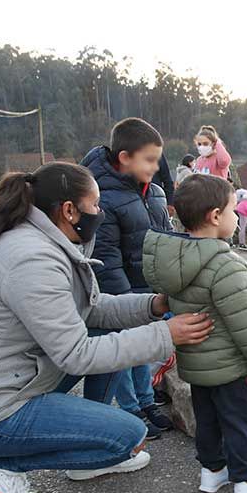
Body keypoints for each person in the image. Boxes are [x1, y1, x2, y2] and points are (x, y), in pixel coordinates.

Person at [0, 162, 213, 493]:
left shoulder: (45, 242)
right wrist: (166, 335)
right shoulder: (32, 259)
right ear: (69, 210)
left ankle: (88, 448)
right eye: (95, 204)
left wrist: (154, 306)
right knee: (127, 437)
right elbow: (76, 355)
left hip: (6, 383)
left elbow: (92, 311)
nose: (100, 212)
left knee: (108, 336)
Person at [142, 174, 247, 493]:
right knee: (238, 418)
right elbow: (244, 323)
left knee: (208, 420)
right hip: (229, 367)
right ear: (215, 216)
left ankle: (212, 471)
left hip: (196, 366)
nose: (236, 216)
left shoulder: (177, 262)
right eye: (233, 210)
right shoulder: (226, 265)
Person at [81, 118, 173, 438]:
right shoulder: (102, 198)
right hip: (121, 291)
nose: (156, 166)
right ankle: (130, 407)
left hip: (149, 286)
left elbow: (166, 239)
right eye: (149, 159)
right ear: (124, 157)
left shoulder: (155, 193)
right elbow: (105, 258)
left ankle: (146, 401)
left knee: (144, 351)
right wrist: (124, 300)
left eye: (157, 159)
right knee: (124, 350)